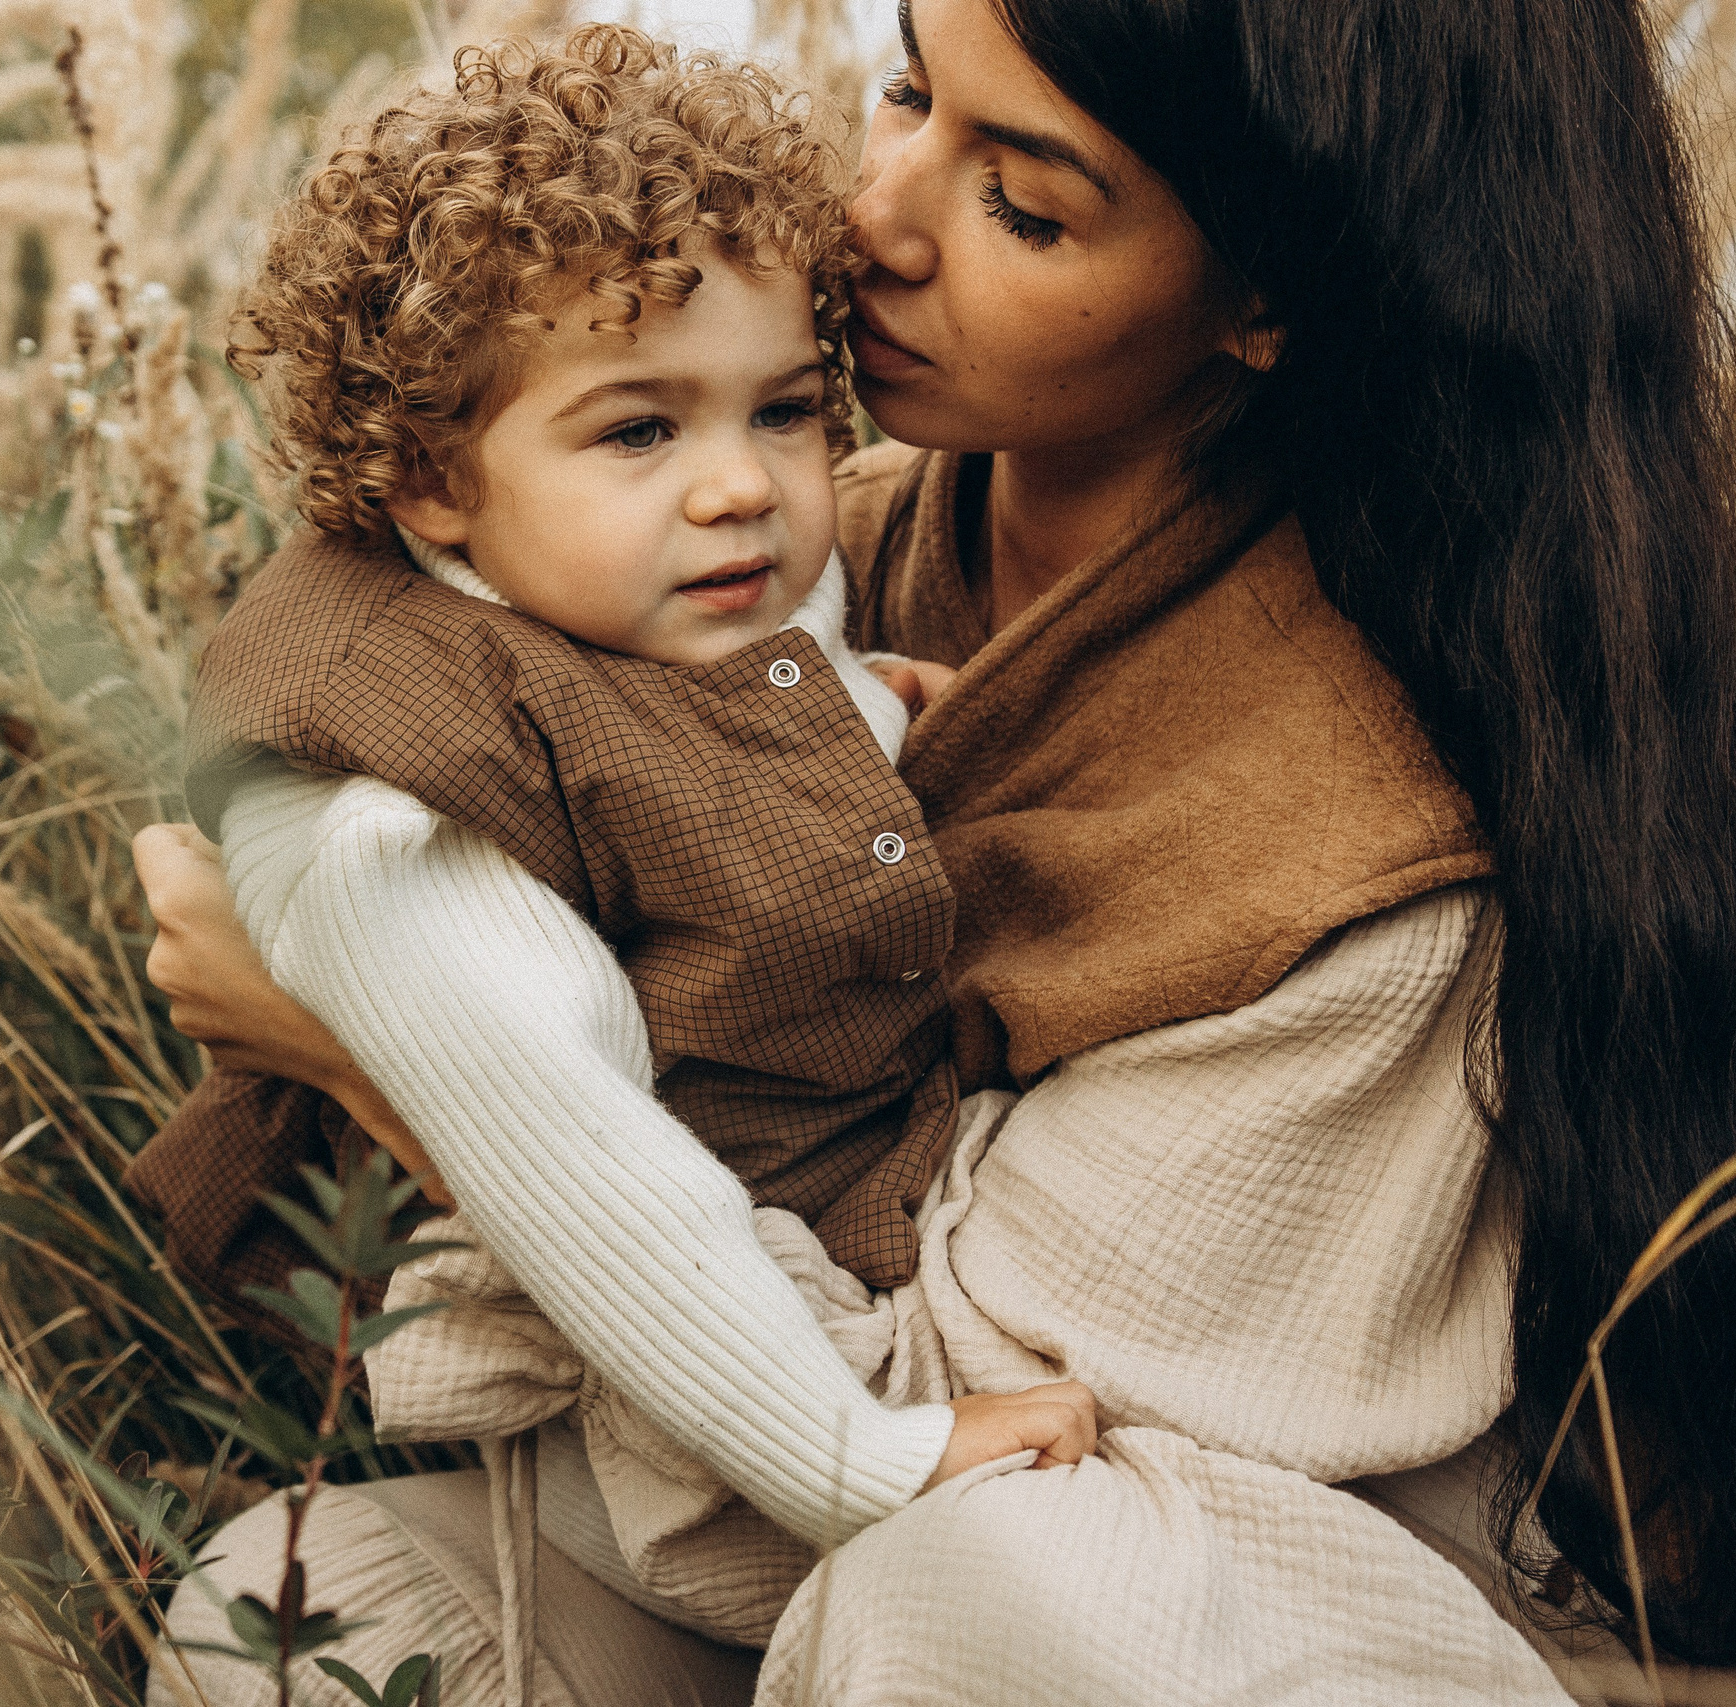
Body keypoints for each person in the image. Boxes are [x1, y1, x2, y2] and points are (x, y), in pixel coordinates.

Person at [138, 0, 1736, 1701]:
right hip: (732, 1549)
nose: (876, 221)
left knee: (978, 1594)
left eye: (1024, 203)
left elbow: (951, 1474)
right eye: (909, 91)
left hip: (1150, 1604)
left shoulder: (1365, 869)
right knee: (297, 1625)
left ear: (1272, 296)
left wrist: (403, 1079)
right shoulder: (792, 559)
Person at [123, 24, 1099, 1580]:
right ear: (434, 479)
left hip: (800, 1270)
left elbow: (698, 745)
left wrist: (852, 713)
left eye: (783, 410)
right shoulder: (398, 824)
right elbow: (593, 1174)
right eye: (641, 429)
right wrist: (864, 1462)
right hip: (677, 1425)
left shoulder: (619, 579)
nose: (739, 486)